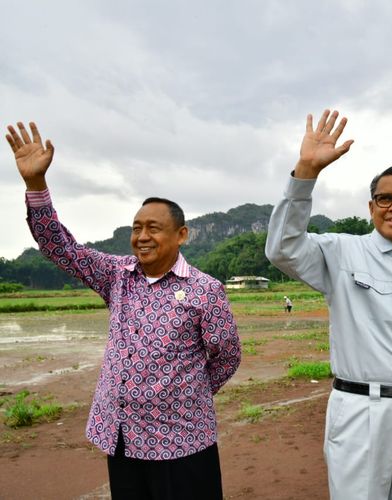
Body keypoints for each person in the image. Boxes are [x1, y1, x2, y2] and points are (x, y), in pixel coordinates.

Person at [6, 122, 241, 499]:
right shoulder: (116, 275)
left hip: (182, 438)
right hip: (123, 436)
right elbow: (61, 248)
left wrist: (185, 393)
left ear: (181, 235)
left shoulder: (205, 289)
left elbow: (227, 355)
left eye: (153, 228)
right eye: (136, 228)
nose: (142, 237)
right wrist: (36, 186)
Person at [265, 110, 392, 499]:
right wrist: (305, 172)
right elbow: (282, 249)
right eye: (384, 198)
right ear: (371, 208)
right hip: (360, 412)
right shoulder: (340, 252)